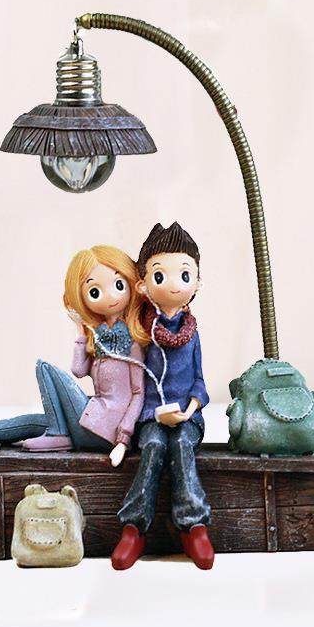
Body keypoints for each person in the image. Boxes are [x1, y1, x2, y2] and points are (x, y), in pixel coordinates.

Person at [0, 245, 149, 467]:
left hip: (106, 431)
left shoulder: (132, 344)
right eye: (95, 292)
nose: (111, 296)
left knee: (45, 368)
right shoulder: (99, 339)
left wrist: (123, 439)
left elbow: (138, 394)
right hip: (92, 417)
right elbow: (79, 371)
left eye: (118, 285)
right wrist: (81, 333)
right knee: (30, 422)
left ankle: (58, 433)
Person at [111, 222, 215, 570]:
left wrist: (190, 409)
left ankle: (193, 526)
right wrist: (155, 414)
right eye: (160, 275)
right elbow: (135, 382)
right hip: (150, 416)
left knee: (182, 443)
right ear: (142, 285)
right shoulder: (142, 331)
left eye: (185, 275)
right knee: (154, 445)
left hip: (187, 417)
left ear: (198, 282)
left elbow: (199, 382)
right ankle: (133, 528)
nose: (173, 284)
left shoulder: (192, 334)